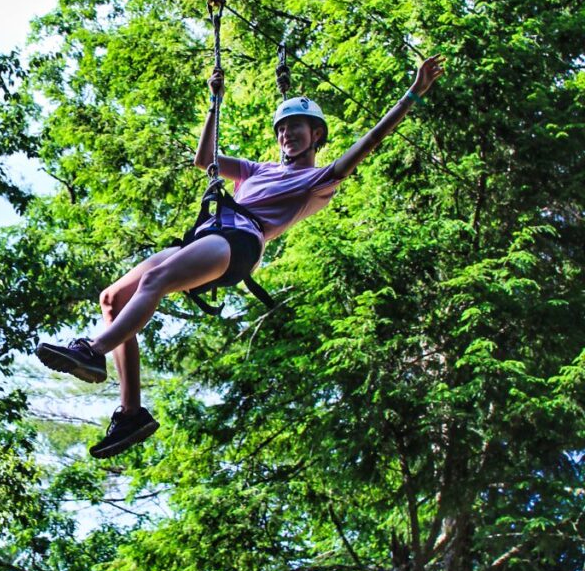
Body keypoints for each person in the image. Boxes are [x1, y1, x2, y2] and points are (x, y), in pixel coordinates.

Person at [36, 55, 446, 458]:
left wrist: (413, 93)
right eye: (283, 129)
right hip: (207, 235)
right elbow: (205, 160)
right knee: (112, 298)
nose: (288, 135)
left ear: (316, 134)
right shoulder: (259, 169)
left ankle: (92, 349)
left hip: (240, 242)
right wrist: (215, 101)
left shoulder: (319, 180)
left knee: (154, 282)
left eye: (297, 128)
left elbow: (370, 141)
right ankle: (131, 413)